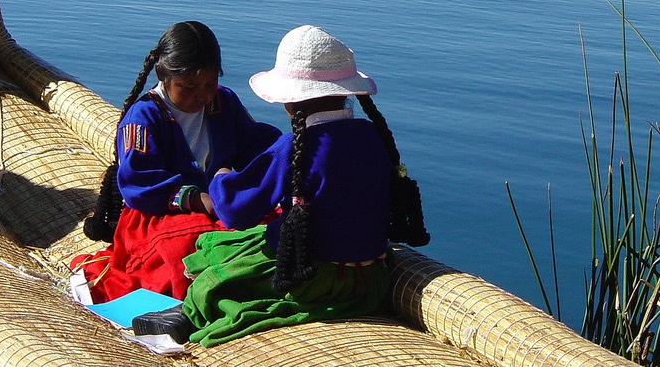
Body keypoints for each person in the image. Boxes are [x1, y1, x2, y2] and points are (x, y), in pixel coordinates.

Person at [132, 24, 429, 346]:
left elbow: (233, 212)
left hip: (312, 276)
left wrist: (221, 180)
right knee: (228, 245)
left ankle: (189, 315)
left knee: (216, 276)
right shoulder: (374, 138)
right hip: (372, 278)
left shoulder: (292, 149)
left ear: (289, 102)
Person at [71, 21, 281, 303]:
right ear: (164, 77)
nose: (202, 95)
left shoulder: (223, 103)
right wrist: (195, 199)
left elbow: (255, 145)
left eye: (210, 84)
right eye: (189, 86)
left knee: (271, 229)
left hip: (217, 203)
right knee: (188, 247)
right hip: (158, 212)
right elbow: (138, 184)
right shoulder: (144, 118)